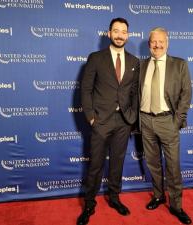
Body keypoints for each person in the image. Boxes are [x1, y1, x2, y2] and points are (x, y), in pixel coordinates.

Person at [78, 18, 139, 225]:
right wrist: (91, 117)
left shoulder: (134, 62)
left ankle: (114, 197)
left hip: (123, 122)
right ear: (109, 33)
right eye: (116, 31)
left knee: (117, 162)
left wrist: (131, 118)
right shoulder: (96, 58)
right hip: (101, 120)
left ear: (128, 35)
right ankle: (89, 203)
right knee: (95, 164)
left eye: (123, 31)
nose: (120, 35)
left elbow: (134, 93)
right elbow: (85, 90)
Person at [139, 27, 192, 224]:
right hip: (145, 120)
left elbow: (186, 95)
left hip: (167, 121)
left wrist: (176, 121)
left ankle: (176, 206)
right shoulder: (142, 65)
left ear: (167, 43)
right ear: (149, 44)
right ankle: (158, 195)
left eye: (161, 41)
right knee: (153, 163)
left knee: (173, 166)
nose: (157, 45)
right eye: (154, 42)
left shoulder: (179, 64)